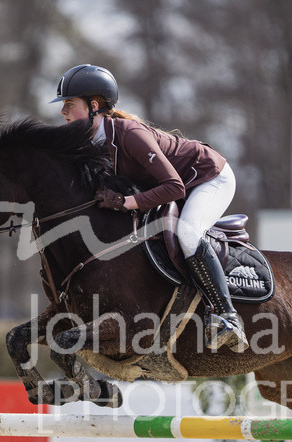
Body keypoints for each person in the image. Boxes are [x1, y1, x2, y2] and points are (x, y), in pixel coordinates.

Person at [49, 64, 248, 353]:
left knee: (188, 232)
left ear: (94, 106)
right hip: (174, 184)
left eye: (69, 104)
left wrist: (125, 203)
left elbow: (175, 187)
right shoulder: (88, 143)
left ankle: (227, 315)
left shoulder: (129, 134)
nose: (63, 112)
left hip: (207, 177)